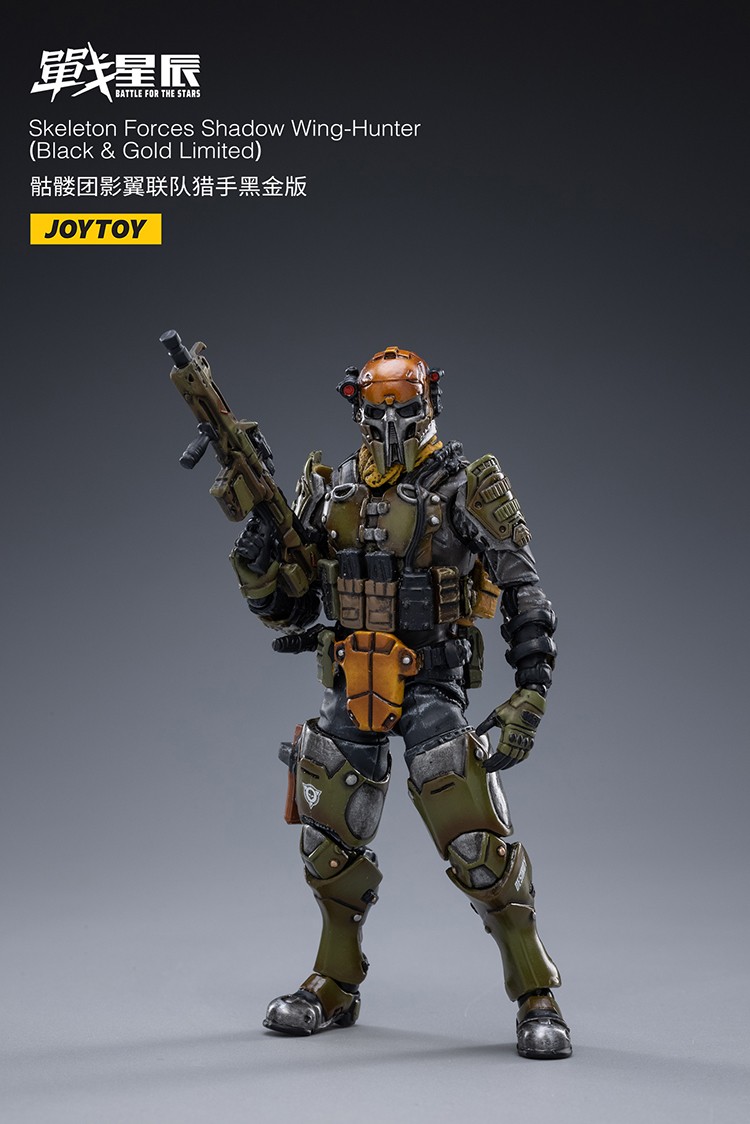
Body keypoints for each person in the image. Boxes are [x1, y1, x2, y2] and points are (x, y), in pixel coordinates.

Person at [230, 345, 571, 1059]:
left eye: (405, 408)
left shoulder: (464, 486)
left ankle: (536, 992)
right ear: (356, 408)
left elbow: (523, 586)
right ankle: (333, 982)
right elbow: (292, 610)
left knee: (476, 842)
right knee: (327, 842)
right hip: (351, 680)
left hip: (431, 678)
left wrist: (531, 689)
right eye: (377, 409)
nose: (391, 423)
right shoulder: (330, 492)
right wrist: (260, 559)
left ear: (429, 403)